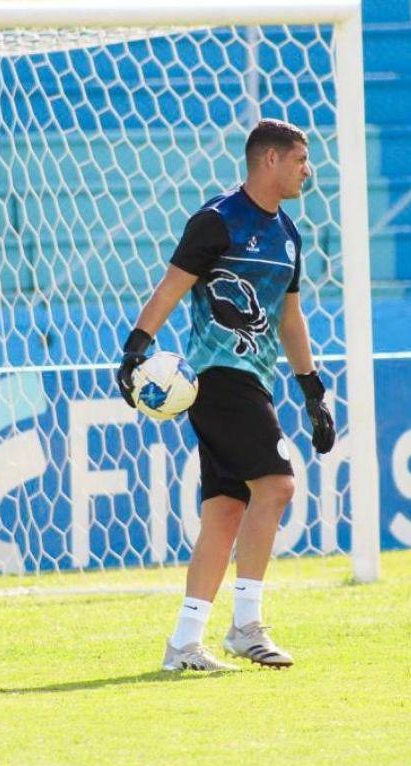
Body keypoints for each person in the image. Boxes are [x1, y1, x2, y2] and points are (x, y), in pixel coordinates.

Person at [117, 118, 336, 672]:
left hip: (253, 377)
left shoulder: (288, 235)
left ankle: (185, 642)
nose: (308, 170)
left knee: (224, 509)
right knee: (279, 484)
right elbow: (172, 286)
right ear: (271, 160)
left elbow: (290, 316)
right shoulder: (217, 221)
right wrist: (136, 349)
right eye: (301, 159)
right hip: (217, 376)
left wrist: (312, 390)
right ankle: (246, 625)